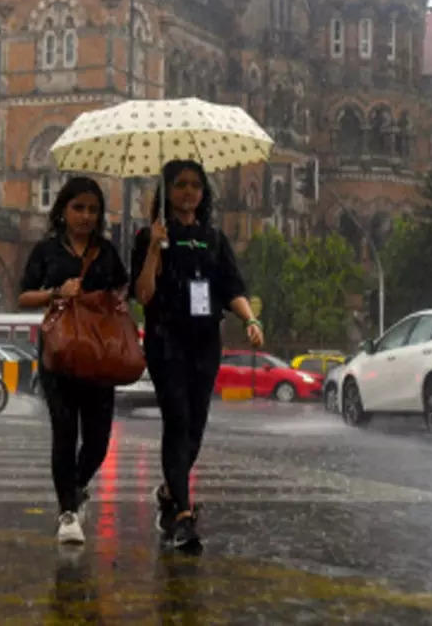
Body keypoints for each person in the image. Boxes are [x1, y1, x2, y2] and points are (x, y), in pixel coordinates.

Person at [132, 159, 263, 552]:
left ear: (203, 193)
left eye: (195, 185)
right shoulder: (148, 236)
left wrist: (250, 319)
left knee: (196, 426)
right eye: (180, 185)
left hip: (205, 340)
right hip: (165, 338)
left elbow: (232, 287)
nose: (188, 192)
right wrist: (155, 247)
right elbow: (143, 294)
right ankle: (183, 516)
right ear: (167, 191)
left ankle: (170, 493)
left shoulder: (214, 239)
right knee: (177, 419)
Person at [18, 177, 130, 546]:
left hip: (99, 355)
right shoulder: (47, 251)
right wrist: (56, 292)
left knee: (98, 439)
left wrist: (113, 300)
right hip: (60, 354)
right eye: (78, 208)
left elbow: (121, 291)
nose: (85, 216)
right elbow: (23, 297)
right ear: (63, 210)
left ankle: (77, 486)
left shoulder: (107, 252)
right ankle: (67, 511)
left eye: (93, 209)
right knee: (65, 432)